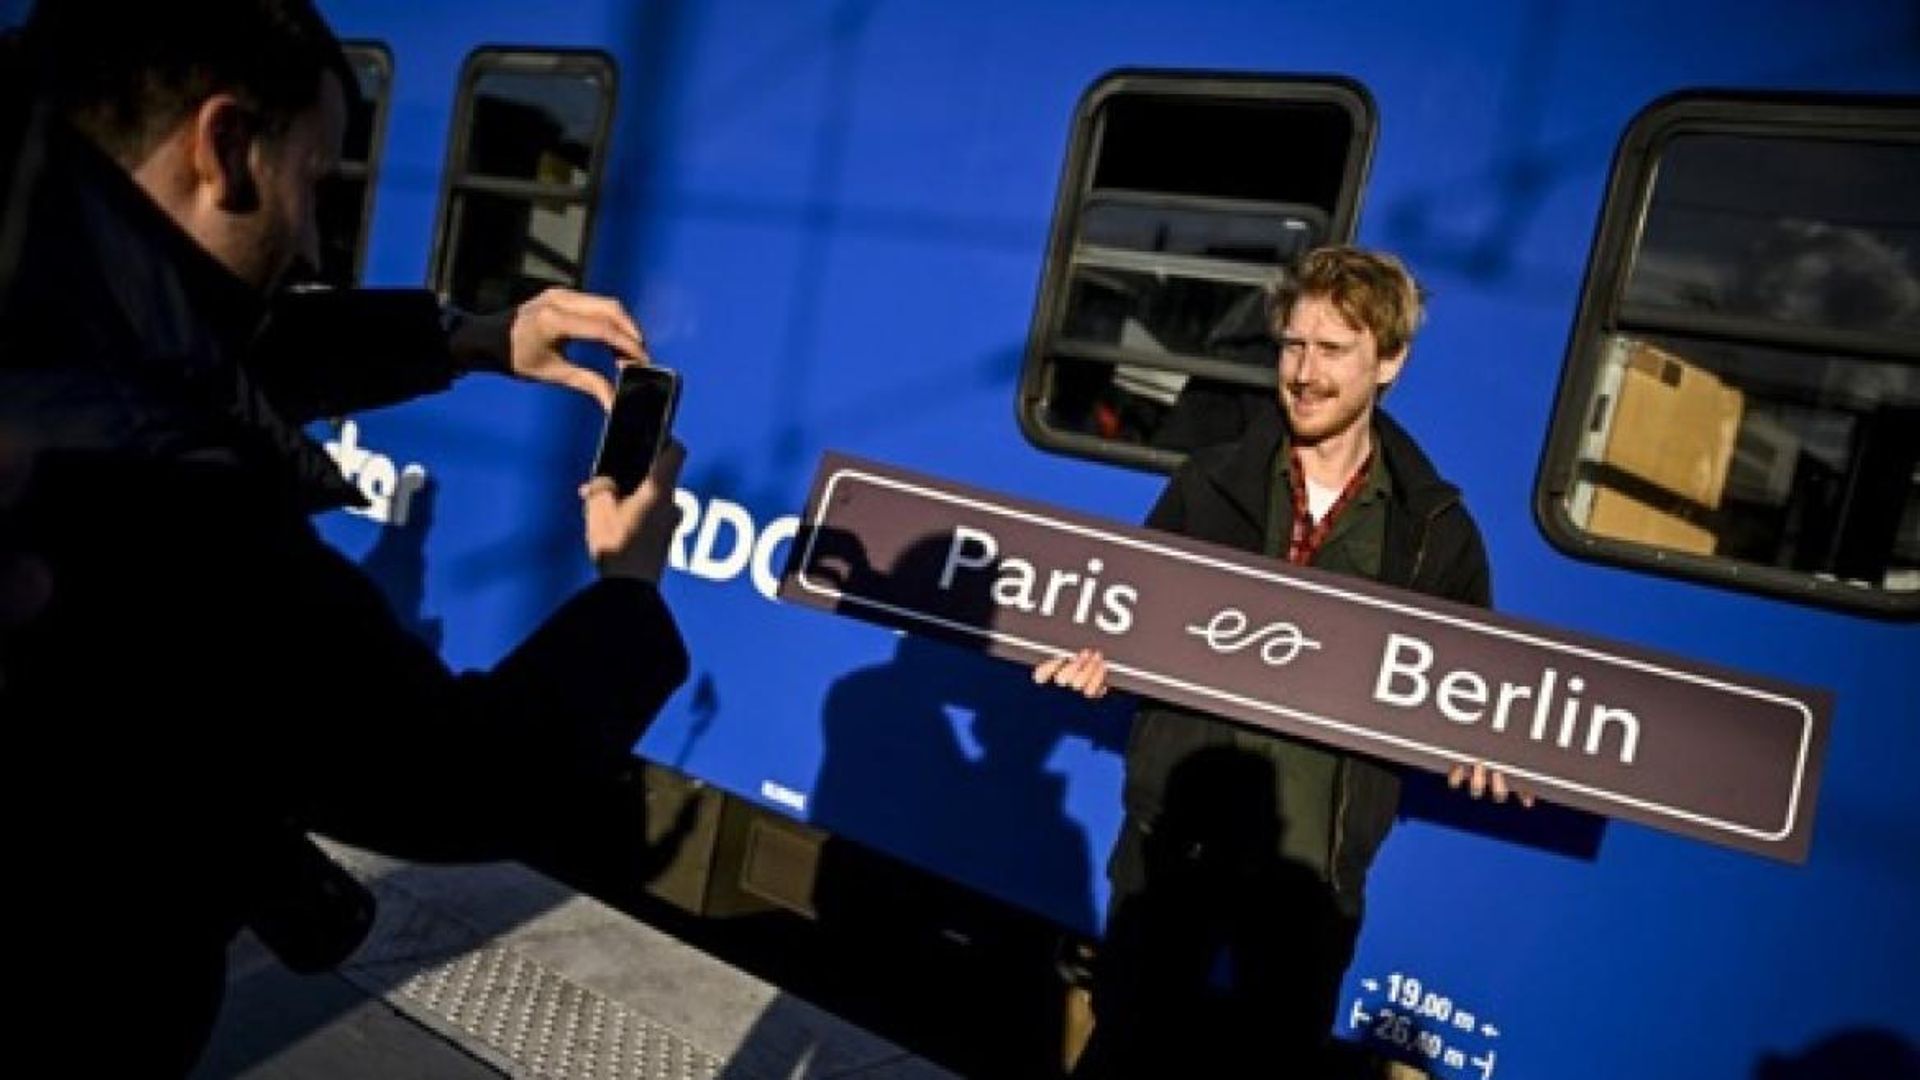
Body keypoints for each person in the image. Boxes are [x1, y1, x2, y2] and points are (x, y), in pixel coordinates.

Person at [0, 2, 689, 1073]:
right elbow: (449, 778)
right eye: (313, 182)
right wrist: (629, 589)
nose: (315, 241)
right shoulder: (159, 489)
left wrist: (470, 337)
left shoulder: (44, 306)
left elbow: (191, 340)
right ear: (224, 145)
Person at [1035, 246, 1521, 1077]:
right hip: (1172, 852)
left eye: (1334, 351)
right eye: (1294, 346)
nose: (1304, 372)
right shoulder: (1208, 483)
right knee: (1125, 1054)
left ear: (1391, 362)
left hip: (1311, 878)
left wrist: (1484, 745)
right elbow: (1129, 618)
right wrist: (1098, 665)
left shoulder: (1435, 532)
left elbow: (1470, 694)